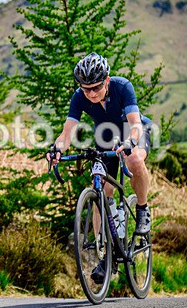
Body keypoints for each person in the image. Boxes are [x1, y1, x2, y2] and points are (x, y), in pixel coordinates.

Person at [47, 52, 153, 283]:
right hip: (106, 137)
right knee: (101, 187)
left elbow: (135, 123)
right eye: (86, 89)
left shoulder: (122, 86)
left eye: (96, 87)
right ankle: (106, 253)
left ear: (106, 81)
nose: (91, 94)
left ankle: (143, 210)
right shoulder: (80, 97)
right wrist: (57, 149)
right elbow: (67, 133)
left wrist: (131, 142)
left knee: (134, 160)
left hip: (133, 133)